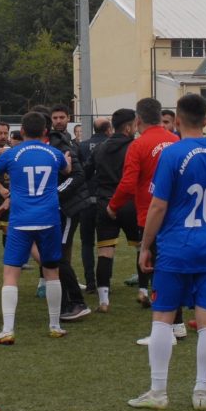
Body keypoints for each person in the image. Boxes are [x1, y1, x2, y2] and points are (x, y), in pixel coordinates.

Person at [127, 93, 206, 411]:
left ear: (176, 120)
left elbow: (158, 205)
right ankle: (201, 392)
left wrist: (146, 246)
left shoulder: (173, 154)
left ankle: (158, 392)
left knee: (162, 316)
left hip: (177, 248)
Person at [0, 111, 72, 344]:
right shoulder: (53, 153)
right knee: (51, 271)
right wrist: (67, 161)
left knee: (11, 273)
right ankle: (55, 325)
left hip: (21, 220)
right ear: (45, 132)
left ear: (22, 131)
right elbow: (66, 170)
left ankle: (8, 329)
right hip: (49, 219)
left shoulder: (11, 154)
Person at [108, 98, 182, 341]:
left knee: (157, 270)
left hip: (150, 215)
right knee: (172, 267)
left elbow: (128, 183)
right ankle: (177, 323)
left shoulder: (138, 146)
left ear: (138, 120)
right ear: (161, 117)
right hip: (177, 214)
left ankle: (166, 329)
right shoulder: (175, 140)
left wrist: (113, 206)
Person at [44, 104, 93, 322]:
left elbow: (78, 174)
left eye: (62, 117)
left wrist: (55, 195)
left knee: (59, 255)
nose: (59, 120)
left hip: (68, 207)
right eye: (55, 117)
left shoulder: (61, 143)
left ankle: (76, 302)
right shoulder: (57, 141)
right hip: (59, 207)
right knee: (54, 254)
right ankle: (64, 299)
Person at [91, 109, 139, 313]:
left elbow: (87, 171)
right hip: (129, 203)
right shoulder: (135, 147)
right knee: (141, 247)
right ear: (128, 127)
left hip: (104, 203)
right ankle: (144, 291)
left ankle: (104, 300)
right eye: (136, 125)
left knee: (105, 252)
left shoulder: (100, 148)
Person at [78, 117, 111, 293]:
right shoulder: (111, 145)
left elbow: (80, 172)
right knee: (106, 243)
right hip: (105, 200)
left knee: (87, 242)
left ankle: (90, 282)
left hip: (86, 201)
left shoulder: (82, 145)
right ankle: (105, 283)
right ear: (108, 130)